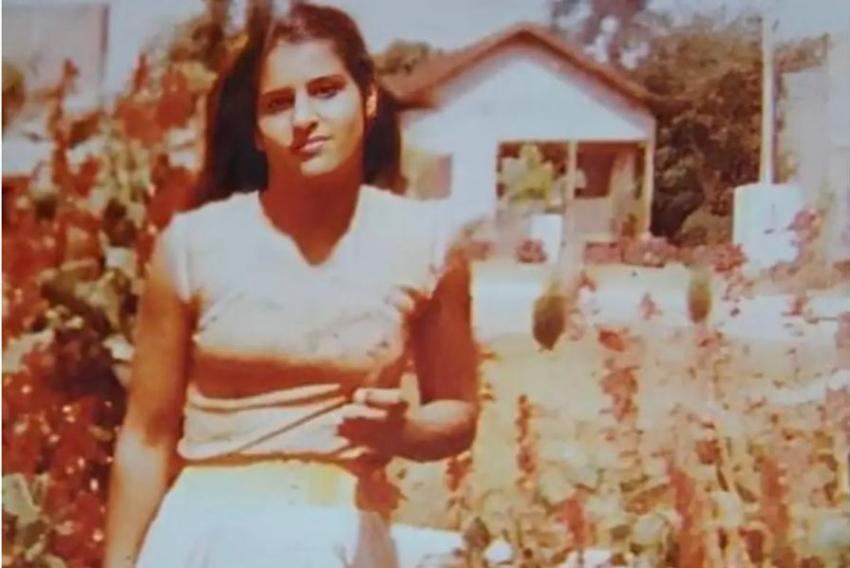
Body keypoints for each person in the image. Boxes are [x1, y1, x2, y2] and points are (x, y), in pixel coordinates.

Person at [103, 3, 480, 566]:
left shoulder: (426, 245)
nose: (303, 118)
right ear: (257, 132)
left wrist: (404, 432)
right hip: (201, 537)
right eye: (278, 103)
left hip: (335, 535)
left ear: (367, 99)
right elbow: (146, 437)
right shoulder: (192, 246)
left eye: (326, 91)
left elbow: (458, 411)